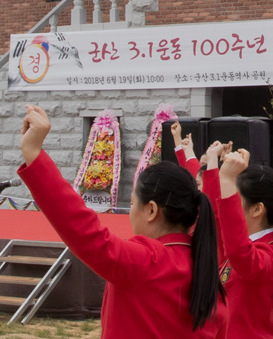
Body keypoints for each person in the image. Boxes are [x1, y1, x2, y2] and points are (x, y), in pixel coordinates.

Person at [15, 104, 221, 338]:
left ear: (152, 210)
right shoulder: (208, 272)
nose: (131, 212)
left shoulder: (147, 262)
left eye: (133, 203)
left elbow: (82, 228)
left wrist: (33, 152)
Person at [207, 145, 273, 339]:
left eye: (234, 198)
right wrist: (215, 166)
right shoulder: (252, 244)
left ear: (257, 209)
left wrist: (228, 179)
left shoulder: (271, 255)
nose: (229, 203)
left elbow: (239, 253)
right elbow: (217, 218)